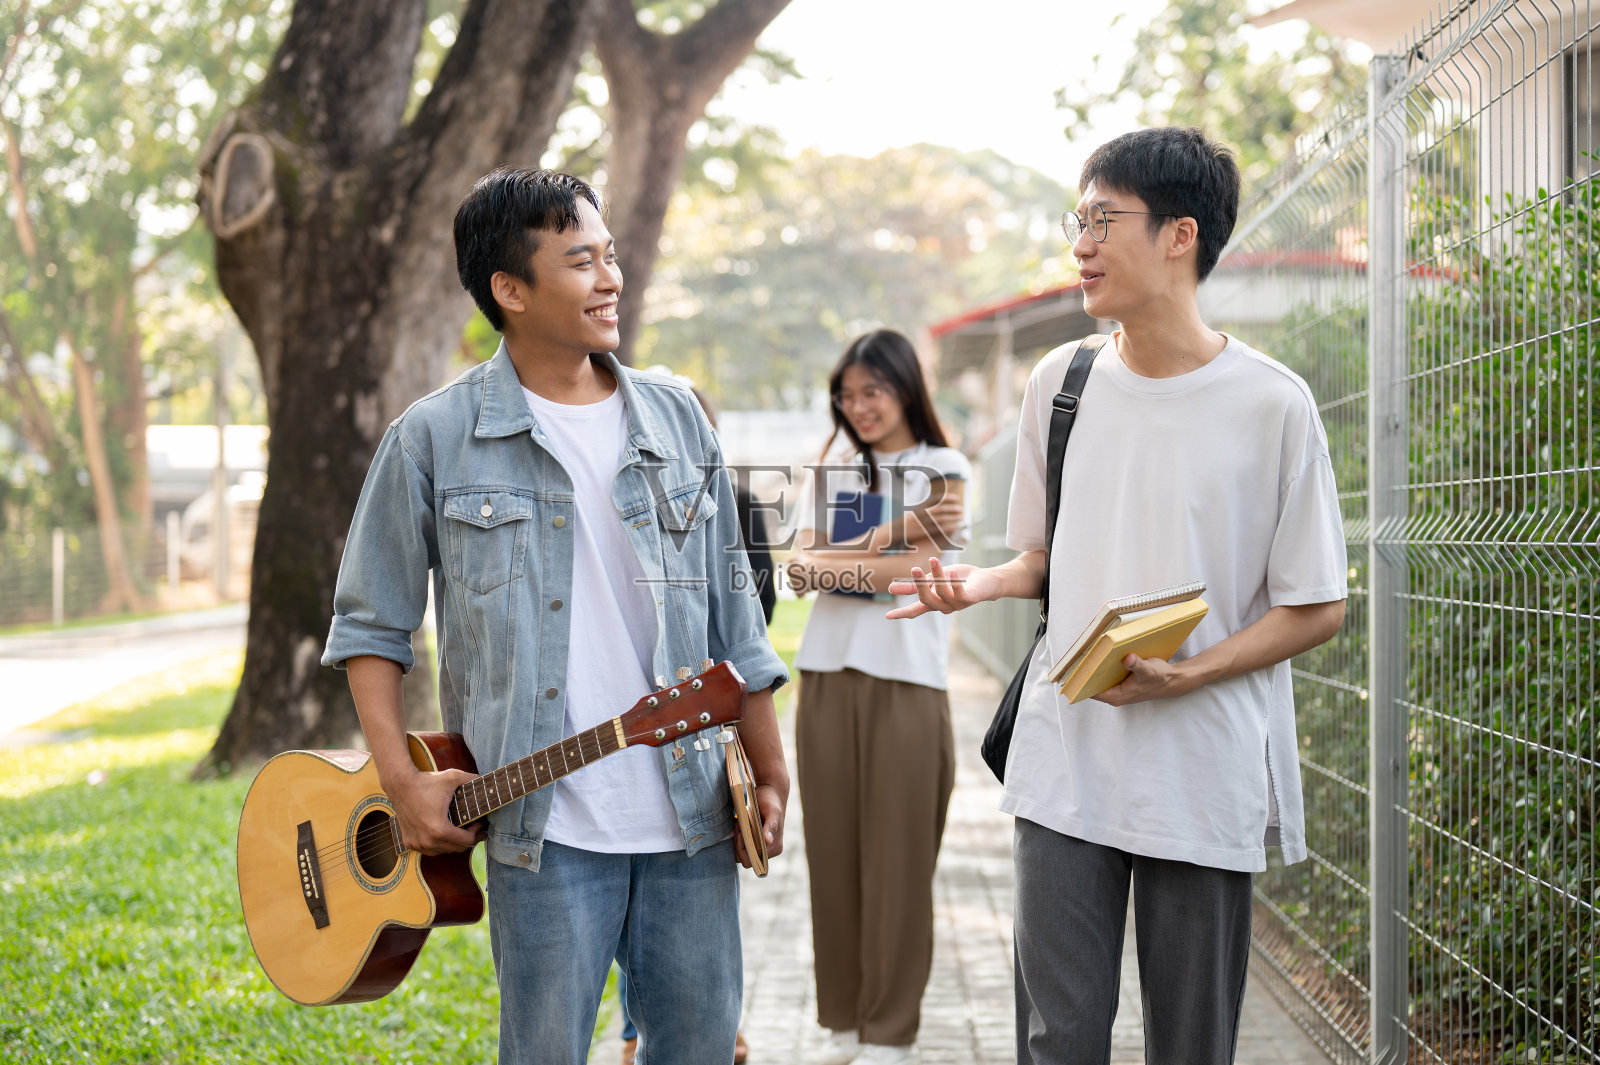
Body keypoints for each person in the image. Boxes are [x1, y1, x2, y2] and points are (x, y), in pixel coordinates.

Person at [888, 127, 1349, 1065]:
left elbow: (1317, 603)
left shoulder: (1273, 404)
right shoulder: (1062, 383)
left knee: (1191, 1045)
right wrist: (973, 584)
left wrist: (1190, 672)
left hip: (1202, 770)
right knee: (1058, 1040)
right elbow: (1039, 563)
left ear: (1180, 235)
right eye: (1079, 218)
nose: (1081, 242)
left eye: (1103, 219)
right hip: (1068, 760)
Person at [320, 167, 789, 1065]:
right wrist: (399, 778)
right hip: (544, 831)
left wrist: (768, 768)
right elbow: (371, 627)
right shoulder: (433, 436)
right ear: (510, 289)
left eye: (611, 256)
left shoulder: (680, 420)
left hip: (691, 816)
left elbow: (736, 616)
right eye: (582, 261)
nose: (611, 278)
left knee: (697, 1051)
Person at [784, 329, 969, 1065]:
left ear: (905, 388)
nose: (857, 407)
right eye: (847, 394)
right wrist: (891, 536)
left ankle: (890, 1031)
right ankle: (844, 1024)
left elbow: (915, 576)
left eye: (873, 391)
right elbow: (797, 571)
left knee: (899, 861)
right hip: (826, 677)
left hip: (909, 684)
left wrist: (843, 559)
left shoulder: (942, 467)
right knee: (833, 855)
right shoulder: (832, 471)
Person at [615, 376, 770, 1065]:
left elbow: (750, 605)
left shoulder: (732, 496)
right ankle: (630, 1031)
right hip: (643, 718)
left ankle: (713, 1025)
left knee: (695, 867)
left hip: (714, 714)